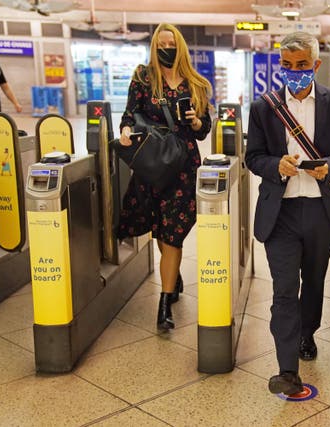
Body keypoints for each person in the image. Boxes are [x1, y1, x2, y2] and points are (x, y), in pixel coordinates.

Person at [245, 31, 330, 396]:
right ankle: (287, 369)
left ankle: (307, 333)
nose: (294, 72)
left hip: (322, 209)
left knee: (313, 281)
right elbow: (253, 157)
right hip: (281, 212)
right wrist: (276, 165)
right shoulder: (264, 107)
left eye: (302, 65)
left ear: (316, 65)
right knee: (283, 289)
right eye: (288, 66)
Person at [117, 23, 212, 330]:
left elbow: (205, 128)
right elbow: (129, 114)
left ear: (180, 46)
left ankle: (164, 302)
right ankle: (174, 276)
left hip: (184, 166)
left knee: (173, 233)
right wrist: (125, 131)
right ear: (154, 47)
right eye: (160, 44)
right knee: (160, 228)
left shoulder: (196, 83)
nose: (166, 49)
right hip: (153, 163)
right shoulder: (144, 78)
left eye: (170, 43)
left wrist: (196, 120)